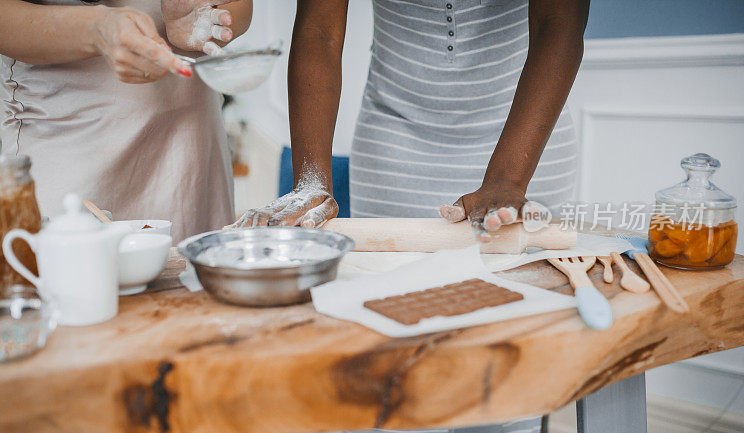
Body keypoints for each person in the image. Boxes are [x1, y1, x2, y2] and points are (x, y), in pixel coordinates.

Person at [235, 1, 589, 432]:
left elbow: (559, 22)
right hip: (395, 134)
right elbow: (320, 31)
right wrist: (311, 180)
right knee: (393, 357)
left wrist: (507, 177)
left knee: (507, 371)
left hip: (522, 137)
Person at [0, 0, 252, 240]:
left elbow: (240, 6)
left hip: (189, 139)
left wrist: (207, 19)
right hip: (69, 136)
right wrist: (95, 29)